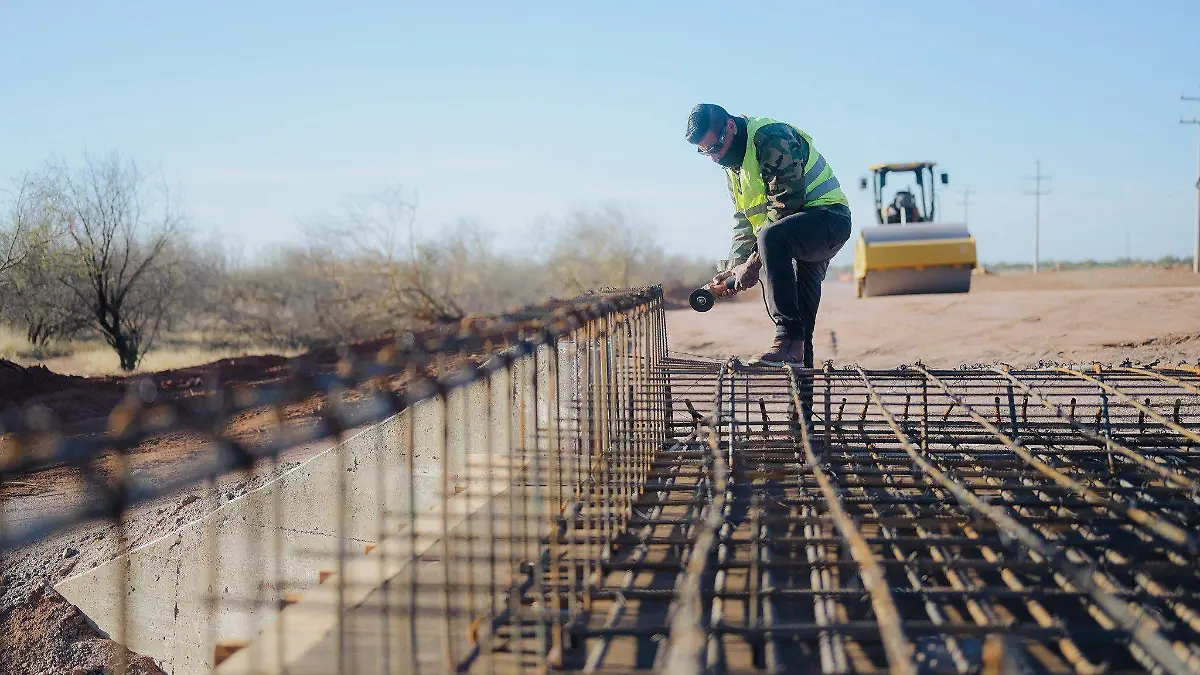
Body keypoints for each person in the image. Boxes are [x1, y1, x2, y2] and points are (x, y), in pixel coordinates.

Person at [686, 103, 853, 366]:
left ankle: (784, 339)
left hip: (828, 221)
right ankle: (799, 400)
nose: (714, 158)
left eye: (716, 148)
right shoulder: (734, 166)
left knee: (771, 239)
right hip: (795, 234)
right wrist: (733, 269)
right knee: (801, 329)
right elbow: (745, 221)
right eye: (705, 152)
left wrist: (752, 267)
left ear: (730, 126)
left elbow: (785, 209)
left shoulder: (770, 138)